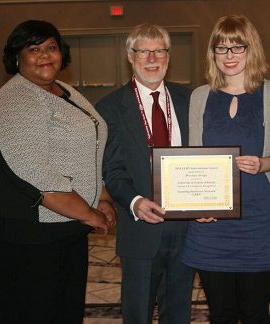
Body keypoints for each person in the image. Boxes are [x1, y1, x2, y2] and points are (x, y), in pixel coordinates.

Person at [0, 20, 116, 323]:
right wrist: (88, 213)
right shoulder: (16, 98)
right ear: (17, 58)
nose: (44, 56)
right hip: (27, 233)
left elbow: (86, 149)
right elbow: (36, 173)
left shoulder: (63, 90)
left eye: (51, 47)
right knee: (35, 313)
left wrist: (101, 194)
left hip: (63, 227)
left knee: (64, 310)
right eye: (34, 49)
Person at [182, 15, 270, 323]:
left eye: (237, 47)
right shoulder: (200, 97)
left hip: (259, 221)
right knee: (220, 314)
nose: (229, 56)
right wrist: (195, 206)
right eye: (221, 48)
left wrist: (263, 164)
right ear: (212, 54)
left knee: (255, 313)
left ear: (252, 49)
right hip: (212, 223)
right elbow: (193, 159)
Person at [96, 23, 194, 324]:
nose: (152, 58)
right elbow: (111, 170)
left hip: (187, 227)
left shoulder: (189, 99)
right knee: (137, 313)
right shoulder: (110, 108)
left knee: (178, 311)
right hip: (140, 227)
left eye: (159, 51)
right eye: (143, 51)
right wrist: (135, 201)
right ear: (130, 56)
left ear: (168, 55)